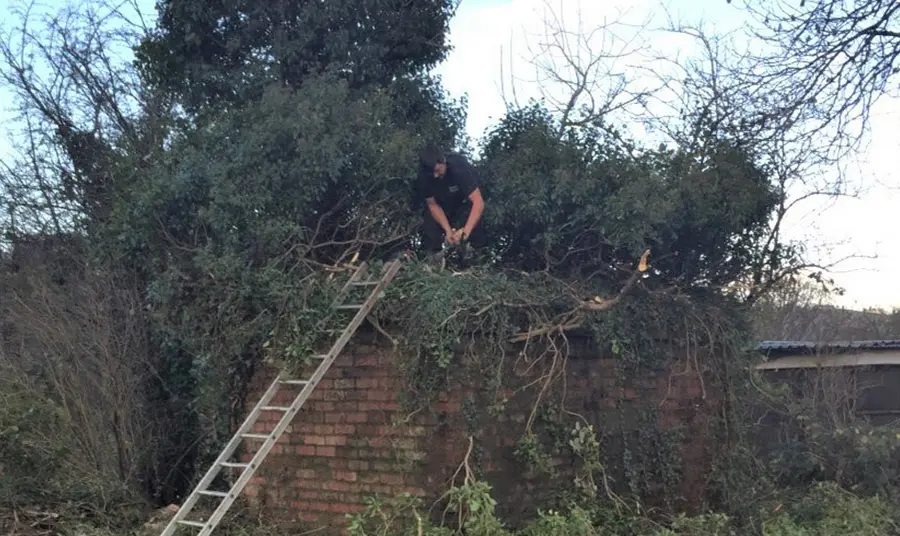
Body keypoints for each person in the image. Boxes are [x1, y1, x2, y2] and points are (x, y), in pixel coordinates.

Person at [416, 145, 487, 253]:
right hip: (443, 206)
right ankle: (431, 259)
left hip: (465, 204)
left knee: (475, 224)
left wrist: (465, 232)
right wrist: (448, 231)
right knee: (429, 223)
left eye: (437, 170)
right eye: (432, 173)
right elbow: (433, 205)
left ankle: (476, 257)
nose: (435, 175)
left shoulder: (459, 167)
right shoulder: (424, 176)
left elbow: (478, 202)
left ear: (443, 162)